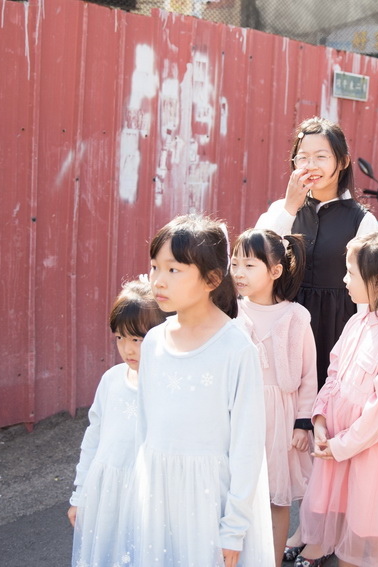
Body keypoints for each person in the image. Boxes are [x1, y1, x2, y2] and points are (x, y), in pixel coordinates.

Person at [135, 214, 274, 566]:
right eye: (155, 267)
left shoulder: (236, 348)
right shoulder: (153, 341)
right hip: (160, 496)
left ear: (212, 279)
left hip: (213, 501)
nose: (158, 281)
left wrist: (234, 528)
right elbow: (145, 427)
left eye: (174, 270)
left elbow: (247, 445)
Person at [296, 231, 378, 567]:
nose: (344, 279)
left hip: (371, 453)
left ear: (377, 281)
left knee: (362, 537)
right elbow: (335, 374)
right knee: (337, 518)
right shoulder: (358, 321)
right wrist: (321, 419)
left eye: (351, 273)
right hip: (339, 446)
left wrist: (341, 446)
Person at [256, 117, 378, 393]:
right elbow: (256, 258)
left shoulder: (362, 220)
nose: (311, 165)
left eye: (321, 157)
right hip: (284, 324)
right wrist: (289, 207)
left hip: (337, 326)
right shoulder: (283, 210)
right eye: (303, 158)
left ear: (343, 162)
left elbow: (368, 296)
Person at [231, 228, 317, 567]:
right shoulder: (231, 314)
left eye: (249, 265)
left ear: (275, 271)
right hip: (242, 415)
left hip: (281, 417)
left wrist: (302, 422)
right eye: (235, 263)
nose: (238, 272)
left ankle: (272, 561)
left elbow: (309, 376)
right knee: (239, 492)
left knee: (276, 500)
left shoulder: (295, 317)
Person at [68, 278, 166, 567]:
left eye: (137, 339)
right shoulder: (111, 380)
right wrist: (79, 495)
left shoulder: (168, 385)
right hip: (107, 493)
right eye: (120, 338)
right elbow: (93, 438)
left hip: (149, 496)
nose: (128, 349)